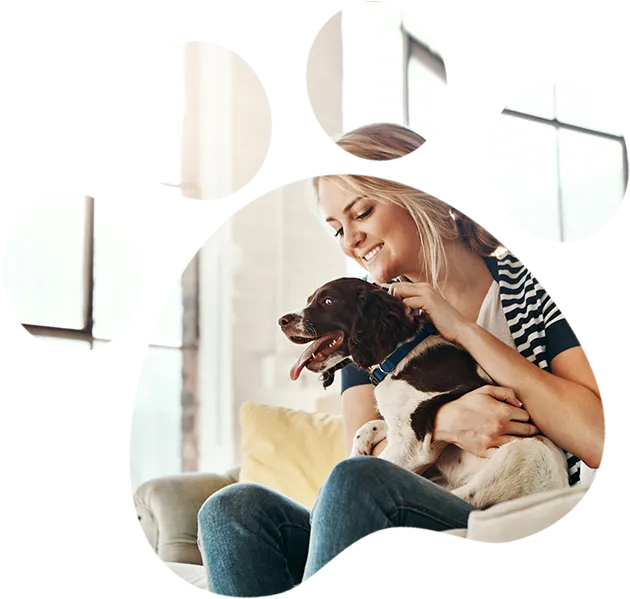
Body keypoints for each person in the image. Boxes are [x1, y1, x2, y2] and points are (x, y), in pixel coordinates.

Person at [196, 123, 605, 598]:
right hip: (397, 517)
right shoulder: (371, 322)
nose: (351, 240)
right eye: (337, 231)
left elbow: (597, 438)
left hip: (503, 515)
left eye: (362, 211)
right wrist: (444, 420)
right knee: (232, 511)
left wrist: (464, 330)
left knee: (357, 483)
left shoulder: (531, 286)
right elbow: (365, 455)